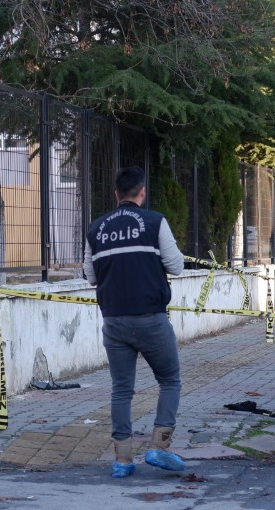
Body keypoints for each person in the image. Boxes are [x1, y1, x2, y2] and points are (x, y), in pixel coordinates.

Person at [83, 167, 187, 479]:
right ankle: (159, 445)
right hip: (151, 318)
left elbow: (91, 276)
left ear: (116, 193)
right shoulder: (155, 221)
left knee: (121, 389)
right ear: (142, 192)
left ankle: (123, 459)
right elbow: (176, 266)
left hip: (113, 321)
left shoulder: (96, 228)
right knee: (170, 380)